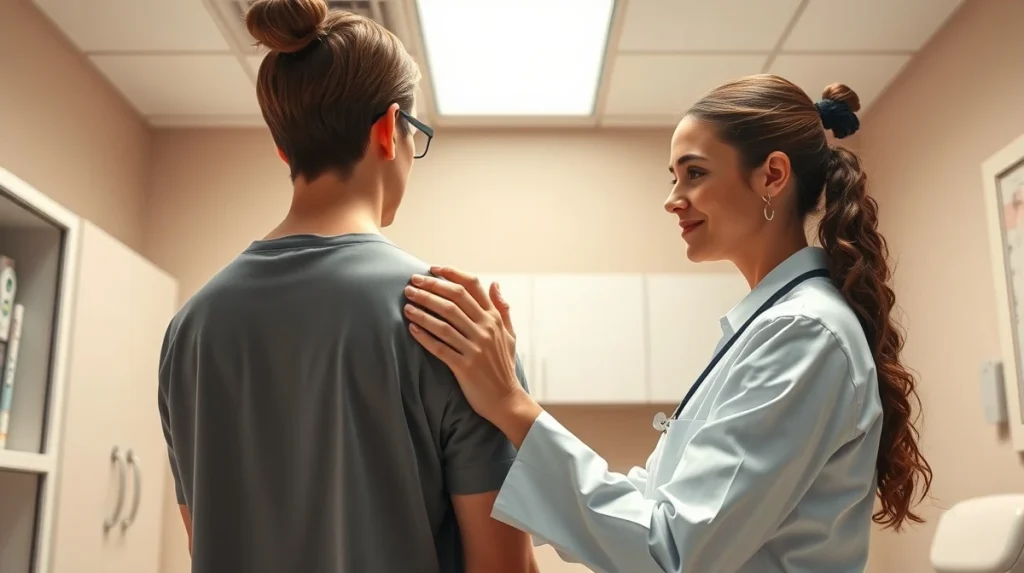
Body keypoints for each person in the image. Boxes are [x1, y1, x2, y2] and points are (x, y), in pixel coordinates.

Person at [402, 74, 933, 572]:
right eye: (674, 177)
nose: (672, 199)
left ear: (772, 175)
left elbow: (672, 551)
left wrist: (510, 404)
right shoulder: (773, 327)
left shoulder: (804, 334)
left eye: (695, 173)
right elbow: (658, 504)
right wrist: (510, 397)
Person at [156, 1, 537, 572]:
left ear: (284, 148)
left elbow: (206, 536)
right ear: (390, 131)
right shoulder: (450, 320)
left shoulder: (192, 327)